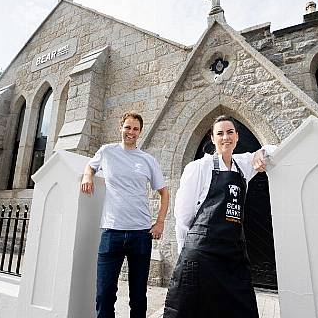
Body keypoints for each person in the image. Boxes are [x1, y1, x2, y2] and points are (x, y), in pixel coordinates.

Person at [163, 115, 276, 318]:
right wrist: (185, 257)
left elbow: (275, 150)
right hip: (202, 254)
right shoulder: (198, 168)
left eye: (230, 132)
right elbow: (182, 216)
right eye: (220, 133)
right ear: (213, 139)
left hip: (233, 255)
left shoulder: (243, 164)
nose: (226, 137)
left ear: (237, 136)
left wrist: (262, 151)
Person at [80, 111, 169, 318]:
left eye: (135, 129)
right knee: (104, 295)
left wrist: (160, 222)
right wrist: (87, 176)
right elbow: (90, 166)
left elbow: (164, 192)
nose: (131, 132)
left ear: (140, 132)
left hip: (141, 235)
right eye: (127, 127)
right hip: (112, 233)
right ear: (120, 128)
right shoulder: (107, 151)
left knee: (138, 296)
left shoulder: (147, 160)